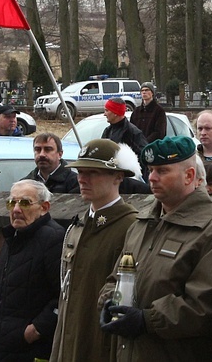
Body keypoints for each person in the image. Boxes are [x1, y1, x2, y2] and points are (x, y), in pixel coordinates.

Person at [99, 136, 212, 362]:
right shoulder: (141, 225)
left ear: (189, 176)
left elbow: (205, 305)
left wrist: (146, 320)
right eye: (151, 170)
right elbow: (116, 277)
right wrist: (108, 302)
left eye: (162, 171)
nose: (151, 178)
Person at [50, 139, 140, 362]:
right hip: (69, 342)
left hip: (102, 345)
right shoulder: (79, 224)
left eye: (93, 172)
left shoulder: (131, 226)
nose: (82, 179)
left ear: (118, 177)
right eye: (80, 171)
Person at [0, 180, 64, 362]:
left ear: (44, 207)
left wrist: (35, 330)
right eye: (12, 202)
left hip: (31, 349)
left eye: (25, 203)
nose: (16, 209)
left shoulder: (53, 239)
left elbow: (63, 295)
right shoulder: (13, 237)